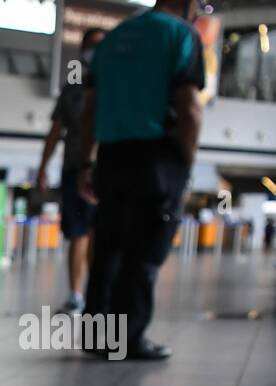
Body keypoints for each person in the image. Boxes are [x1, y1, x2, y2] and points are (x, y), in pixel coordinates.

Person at [78, 0, 206, 361]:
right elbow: (189, 107)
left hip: (111, 155)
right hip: (156, 156)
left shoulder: (115, 36)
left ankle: (97, 336)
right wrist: (186, 159)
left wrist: (87, 164)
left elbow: (91, 108)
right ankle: (128, 339)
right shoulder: (181, 35)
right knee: (144, 251)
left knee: (108, 248)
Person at [37, 27, 105, 314]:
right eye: (89, 46)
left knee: (99, 235)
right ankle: (77, 294)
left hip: (105, 172)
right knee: (77, 233)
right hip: (74, 168)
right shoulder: (73, 88)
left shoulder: (115, 85)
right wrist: (43, 167)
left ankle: (96, 294)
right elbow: (55, 131)